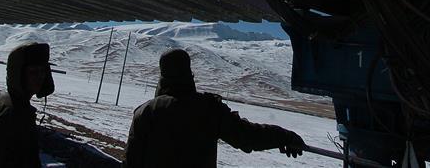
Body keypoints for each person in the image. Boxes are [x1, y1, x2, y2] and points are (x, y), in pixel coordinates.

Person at [124, 48, 305, 167]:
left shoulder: (144, 112)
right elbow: (248, 136)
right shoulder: (209, 108)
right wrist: (285, 137)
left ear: (162, 76)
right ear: (189, 74)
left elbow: (131, 162)